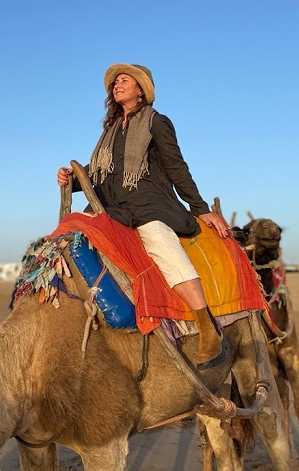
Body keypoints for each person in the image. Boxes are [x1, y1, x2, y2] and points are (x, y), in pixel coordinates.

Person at [57, 63, 230, 369]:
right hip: (113, 206)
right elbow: (99, 175)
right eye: (115, 82)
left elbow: (177, 167)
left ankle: (207, 328)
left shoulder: (156, 122)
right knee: (70, 241)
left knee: (160, 242)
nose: (117, 85)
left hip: (149, 202)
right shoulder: (109, 133)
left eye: (125, 80)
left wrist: (201, 209)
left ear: (140, 89)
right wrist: (72, 179)